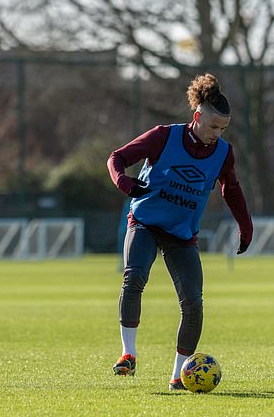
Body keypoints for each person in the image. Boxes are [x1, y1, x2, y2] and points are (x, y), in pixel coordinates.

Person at [107, 73, 253, 390]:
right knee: (134, 278)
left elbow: (232, 189)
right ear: (197, 116)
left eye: (223, 129)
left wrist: (245, 226)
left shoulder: (223, 153)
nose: (217, 134)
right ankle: (127, 354)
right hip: (144, 223)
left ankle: (178, 375)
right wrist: (126, 183)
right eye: (213, 126)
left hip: (181, 235)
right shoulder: (164, 137)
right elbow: (117, 158)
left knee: (193, 303)